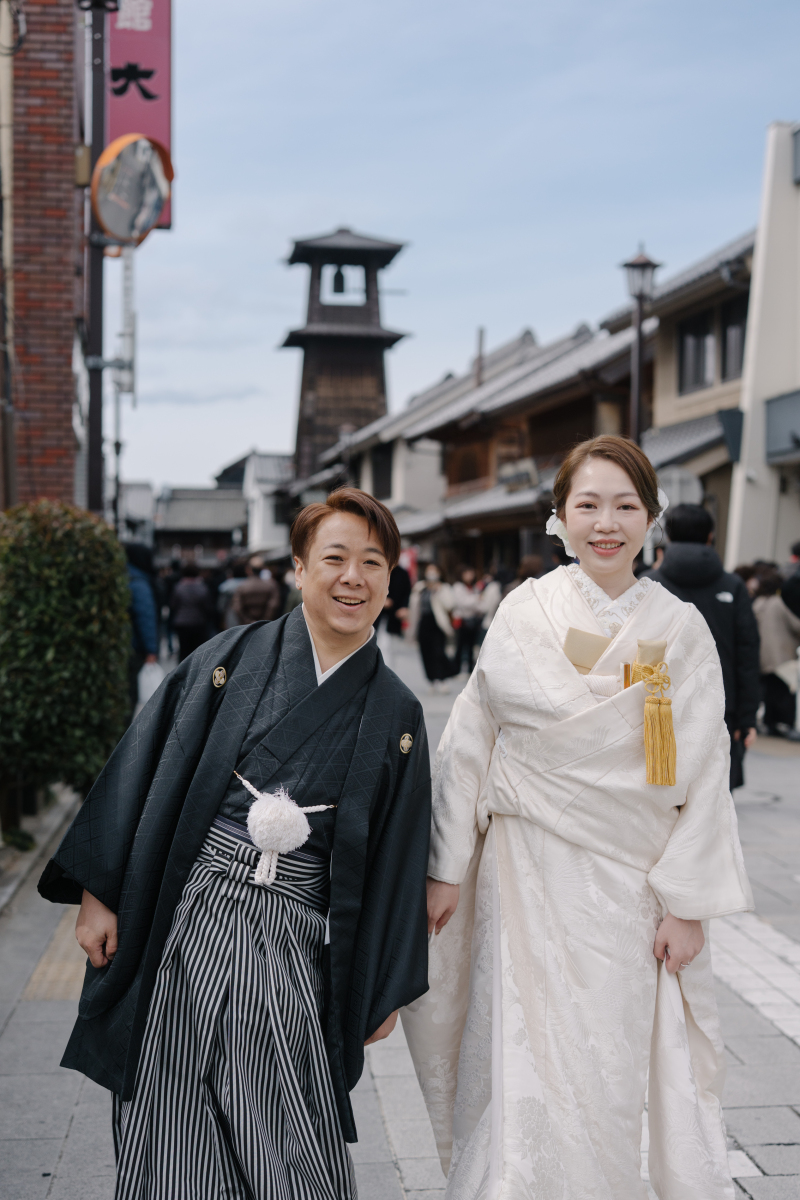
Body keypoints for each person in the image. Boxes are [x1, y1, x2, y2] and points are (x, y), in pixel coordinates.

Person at [37, 488, 431, 1200]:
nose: (353, 578)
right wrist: (100, 890)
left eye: (373, 563)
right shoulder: (232, 658)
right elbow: (148, 761)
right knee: (172, 1098)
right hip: (190, 911)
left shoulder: (396, 711)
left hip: (295, 937)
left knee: (286, 1120)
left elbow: (399, 852)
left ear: (389, 579)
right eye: (335, 558)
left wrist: (382, 982)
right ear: (299, 567)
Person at [404, 435, 752, 1200]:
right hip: (524, 871)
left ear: (651, 518)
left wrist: (688, 905)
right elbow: (469, 742)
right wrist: (445, 867)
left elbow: (702, 771)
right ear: (559, 516)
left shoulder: (680, 629)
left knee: (611, 1064)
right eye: (588, 505)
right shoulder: (524, 611)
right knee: (521, 1052)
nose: (606, 523)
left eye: (625, 506)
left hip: (632, 885)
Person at [644, 503, 760, 788]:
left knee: (660, 793)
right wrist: (747, 718)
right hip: (721, 707)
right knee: (714, 794)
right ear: (710, 536)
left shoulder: (648, 584)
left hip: (659, 704)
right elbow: (747, 653)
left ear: (667, 535)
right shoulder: (732, 586)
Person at [752, 568, 800, 739]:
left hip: (762, 655)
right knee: (783, 692)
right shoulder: (778, 603)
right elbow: (796, 625)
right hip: (781, 655)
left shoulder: (758, 602)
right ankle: (784, 725)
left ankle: (768, 723)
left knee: (766, 692)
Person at [124, 543, 159, 722]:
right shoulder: (139, 583)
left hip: (124, 644)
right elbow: (146, 617)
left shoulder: (124, 577)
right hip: (135, 647)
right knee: (131, 692)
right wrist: (151, 650)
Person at [408, 564, 456, 692]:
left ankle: (442, 679)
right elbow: (413, 605)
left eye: (434, 571)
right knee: (426, 652)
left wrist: (438, 591)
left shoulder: (444, 587)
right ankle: (431, 680)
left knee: (438, 652)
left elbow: (450, 604)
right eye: (429, 570)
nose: (431, 573)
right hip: (423, 623)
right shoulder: (420, 587)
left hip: (438, 624)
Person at [170, 562, 212, 661]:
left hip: (182, 623)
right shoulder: (202, 588)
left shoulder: (178, 587)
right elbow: (207, 606)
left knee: (183, 650)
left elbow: (173, 605)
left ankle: (183, 669)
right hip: (198, 622)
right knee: (198, 651)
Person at [230, 557, 282, 625]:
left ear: (249, 569)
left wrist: (248, 621)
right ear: (262, 569)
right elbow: (274, 605)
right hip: (267, 625)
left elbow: (237, 607)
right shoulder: (271, 585)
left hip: (247, 625)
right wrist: (264, 620)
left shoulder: (242, 587)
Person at [450, 566, 482, 674]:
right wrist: (476, 599)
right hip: (462, 621)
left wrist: (473, 601)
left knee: (471, 646)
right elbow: (462, 603)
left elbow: (479, 605)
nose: (470, 576)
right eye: (467, 573)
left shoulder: (474, 587)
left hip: (473, 620)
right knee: (460, 646)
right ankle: (456, 669)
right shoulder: (458, 587)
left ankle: (469, 670)